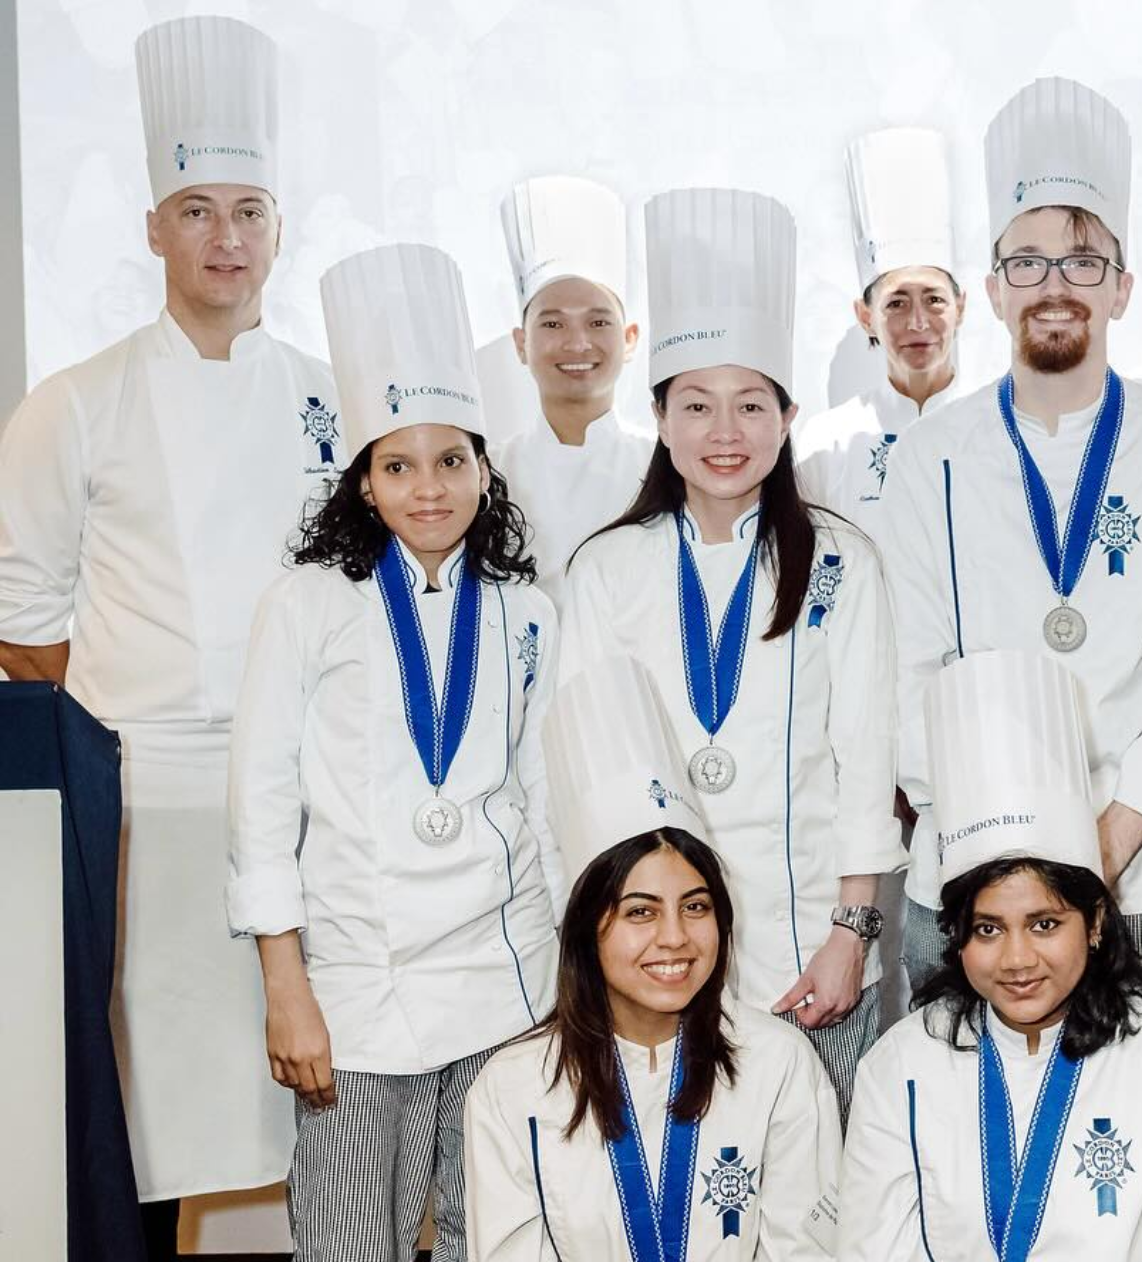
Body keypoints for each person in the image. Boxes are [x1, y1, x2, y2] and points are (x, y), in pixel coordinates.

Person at [0, 14, 335, 1244]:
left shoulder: (332, 400)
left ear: (279, 231)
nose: (225, 239)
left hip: (306, 812)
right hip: (139, 819)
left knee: (327, 1129)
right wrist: (130, 736)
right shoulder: (72, 405)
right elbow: (24, 624)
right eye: (197, 211)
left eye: (248, 212)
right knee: (134, 1126)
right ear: (154, 229)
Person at [879, 77, 1142, 1026]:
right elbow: (908, 670)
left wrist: (1102, 845)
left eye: (1084, 261)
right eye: (1029, 260)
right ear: (993, 287)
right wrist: (1010, 861)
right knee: (966, 1113)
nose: (1055, 285)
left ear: (1123, 287)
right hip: (969, 880)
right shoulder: (928, 460)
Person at [227, 243, 562, 1260]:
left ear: (484, 470)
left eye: (451, 460)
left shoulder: (527, 612)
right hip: (356, 991)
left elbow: (546, 798)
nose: (429, 489)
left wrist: (567, 983)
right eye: (399, 465)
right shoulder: (305, 605)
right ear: (364, 483)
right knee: (346, 1239)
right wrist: (286, 992)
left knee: (496, 1236)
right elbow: (260, 806)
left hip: (506, 979)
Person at [560, 187, 900, 1122]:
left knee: (818, 1180)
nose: (725, 433)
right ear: (660, 418)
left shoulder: (841, 561)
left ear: (787, 418)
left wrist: (851, 934)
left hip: (812, 954)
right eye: (697, 406)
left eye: (751, 405)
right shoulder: (606, 569)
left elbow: (865, 761)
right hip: (655, 962)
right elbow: (586, 775)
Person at [839, 650, 1142, 1260]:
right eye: (987, 929)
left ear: (1095, 922)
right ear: (957, 937)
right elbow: (872, 1248)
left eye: (1044, 924)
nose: (1017, 959)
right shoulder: (901, 1064)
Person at [466, 656, 840, 1259]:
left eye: (695, 907)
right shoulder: (511, 1088)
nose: (675, 938)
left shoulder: (779, 1064)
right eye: (640, 911)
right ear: (588, 928)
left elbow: (804, 1251)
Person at [796, 127, 967, 528]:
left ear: (960, 308)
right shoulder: (827, 441)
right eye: (896, 303)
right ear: (865, 316)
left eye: (934, 299)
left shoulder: (999, 424)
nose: (918, 322)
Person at [496, 175, 653, 603]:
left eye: (598, 321)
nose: (578, 343)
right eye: (553, 323)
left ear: (630, 339)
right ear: (521, 343)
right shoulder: (490, 473)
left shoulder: (665, 466)